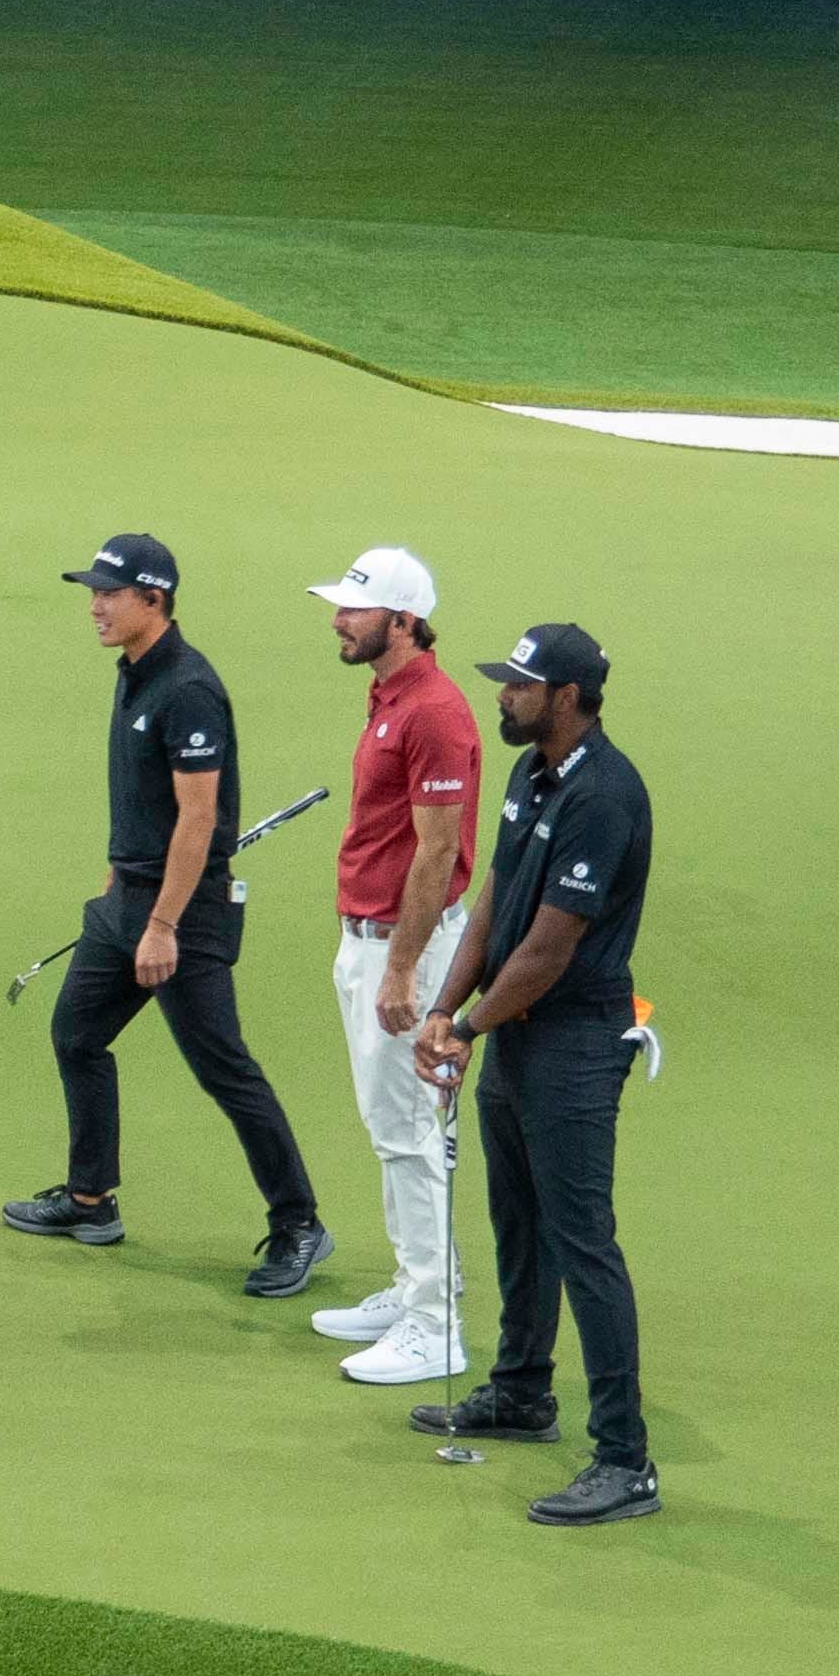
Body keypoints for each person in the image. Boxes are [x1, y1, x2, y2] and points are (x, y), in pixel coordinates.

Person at [6, 534, 325, 1297]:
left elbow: (197, 816)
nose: (94, 605)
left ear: (154, 600)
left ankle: (298, 1224)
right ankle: (90, 1198)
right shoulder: (134, 675)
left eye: (108, 593)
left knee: (222, 1067)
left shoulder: (187, 688)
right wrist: (118, 883)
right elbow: (145, 800)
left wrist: (162, 925)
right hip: (125, 901)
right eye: (92, 591)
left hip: (182, 913)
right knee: (76, 1033)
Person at [404, 621, 658, 1525]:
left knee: (582, 1240)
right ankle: (520, 1390)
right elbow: (495, 911)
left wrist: (467, 1023)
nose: (502, 694)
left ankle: (625, 1460)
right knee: (519, 1221)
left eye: (519, 684)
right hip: (513, 1032)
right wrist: (445, 1008)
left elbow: (550, 948)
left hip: (576, 1042)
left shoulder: (605, 795)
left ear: (567, 697)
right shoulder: (528, 774)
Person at [302, 543, 482, 1385]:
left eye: (354, 608)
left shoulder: (435, 711)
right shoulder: (389, 694)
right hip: (368, 937)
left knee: (410, 1135)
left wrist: (403, 971)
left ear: (402, 620)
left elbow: (438, 851)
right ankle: (413, 1286)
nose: (337, 618)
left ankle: (434, 1324)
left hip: (401, 944)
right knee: (390, 1128)